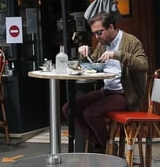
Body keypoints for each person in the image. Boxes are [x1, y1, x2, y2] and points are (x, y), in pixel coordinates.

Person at [62, 11, 149, 153]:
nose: (97, 37)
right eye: (95, 33)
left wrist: (117, 55)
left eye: (99, 32)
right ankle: (98, 143)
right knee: (69, 108)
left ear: (110, 27)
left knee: (90, 113)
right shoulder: (103, 43)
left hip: (125, 95)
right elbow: (94, 62)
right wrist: (85, 54)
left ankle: (106, 146)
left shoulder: (131, 41)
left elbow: (144, 65)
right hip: (106, 91)